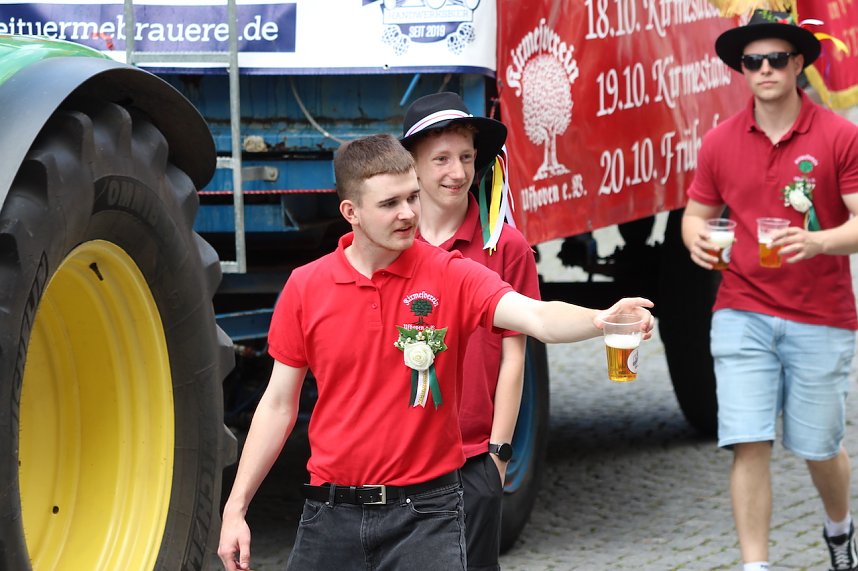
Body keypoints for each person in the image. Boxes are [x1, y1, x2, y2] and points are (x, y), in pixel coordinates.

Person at [217, 133, 654, 571]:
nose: (408, 214)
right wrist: (236, 508)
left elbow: (536, 317)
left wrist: (600, 318)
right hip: (330, 515)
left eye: (412, 197)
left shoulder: (449, 274)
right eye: (390, 204)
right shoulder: (306, 287)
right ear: (351, 212)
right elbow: (277, 405)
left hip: (426, 515)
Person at [681, 10, 858, 571]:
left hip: (821, 314)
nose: (764, 69)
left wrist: (819, 242)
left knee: (819, 446)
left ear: (799, 63)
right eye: (752, 61)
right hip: (742, 308)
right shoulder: (720, 142)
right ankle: (755, 566)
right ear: (742, 69)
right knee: (748, 439)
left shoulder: (840, 136)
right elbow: (696, 215)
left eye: (776, 58)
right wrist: (697, 243)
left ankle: (839, 527)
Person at [399, 91, 540, 570]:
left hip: (473, 458)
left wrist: (497, 458)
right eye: (440, 159)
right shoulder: (390, 244)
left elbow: (515, 357)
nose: (456, 173)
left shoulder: (507, 246)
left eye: (465, 157)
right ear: (412, 166)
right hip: (399, 461)